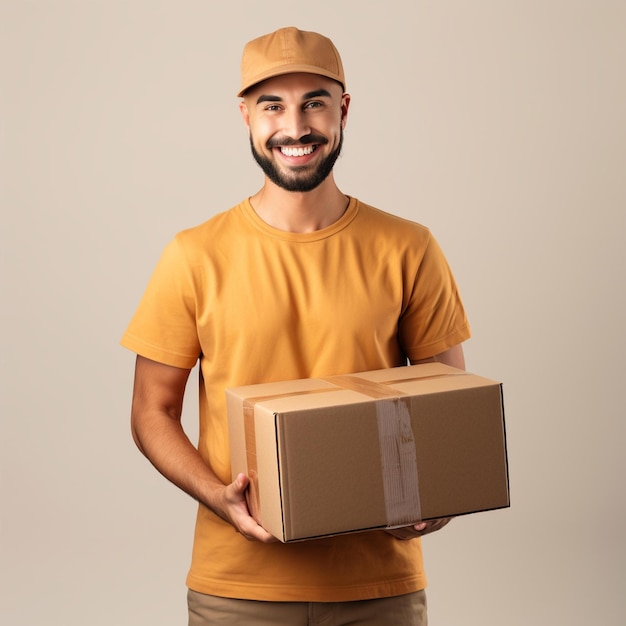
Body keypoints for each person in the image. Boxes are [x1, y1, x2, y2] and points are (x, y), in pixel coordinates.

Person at [121, 26, 471, 626]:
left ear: (344, 110)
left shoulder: (408, 248)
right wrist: (217, 497)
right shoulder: (194, 255)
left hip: (378, 584)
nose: (295, 126)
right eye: (272, 105)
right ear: (245, 117)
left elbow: (445, 403)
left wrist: (439, 492)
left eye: (314, 101)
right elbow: (150, 410)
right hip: (237, 588)